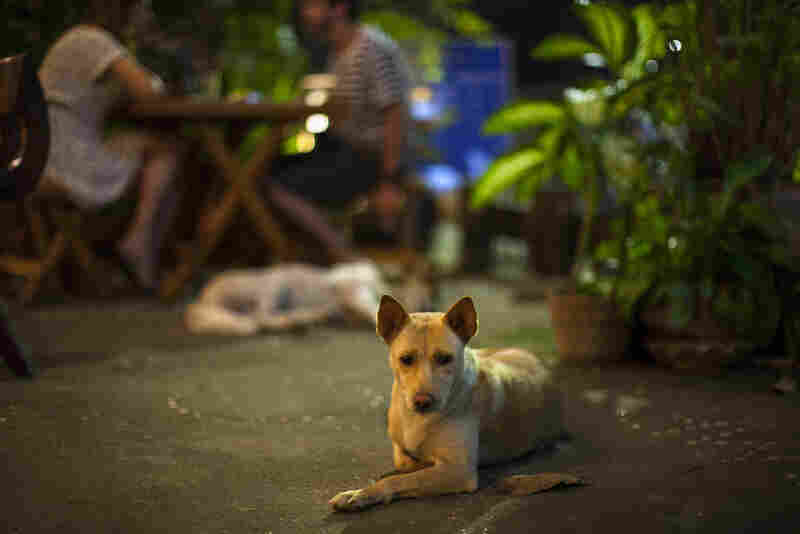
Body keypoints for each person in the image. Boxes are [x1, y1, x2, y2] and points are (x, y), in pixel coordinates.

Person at [37, 0, 184, 289]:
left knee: (155, 146)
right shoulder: (94, 41)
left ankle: (135, 251)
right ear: (124, 9)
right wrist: (148, 48)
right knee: (168, 150)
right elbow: (150, 93)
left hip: (38, 152)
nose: (148, 14)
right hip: (61, 160)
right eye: (143, 8)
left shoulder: (77, 39)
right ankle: (138, 244)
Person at [264, 0, 412, 263]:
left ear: (339, 8)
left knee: (278, 184)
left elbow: (394, 114)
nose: (304, 11)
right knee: (270, 168)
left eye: (312, 4)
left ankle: (343, 255)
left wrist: (389, 179)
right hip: (343, 148)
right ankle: (319, 253)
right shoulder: (338, 51)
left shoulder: (372, 48)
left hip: (370, 158)